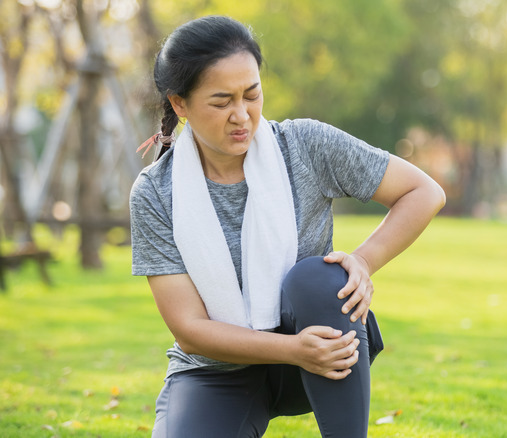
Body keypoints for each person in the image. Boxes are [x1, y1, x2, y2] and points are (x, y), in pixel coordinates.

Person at [130, 15, 445, 438]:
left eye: (252, 94)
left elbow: (424, 192)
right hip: (219, 369)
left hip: (319, 342)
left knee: (319, 276)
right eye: (222, 102)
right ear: (179, 104)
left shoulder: (305, 146)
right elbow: (189, 330)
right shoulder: (155, 192)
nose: (242, 116)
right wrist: (293, 351)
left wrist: (363, 262)